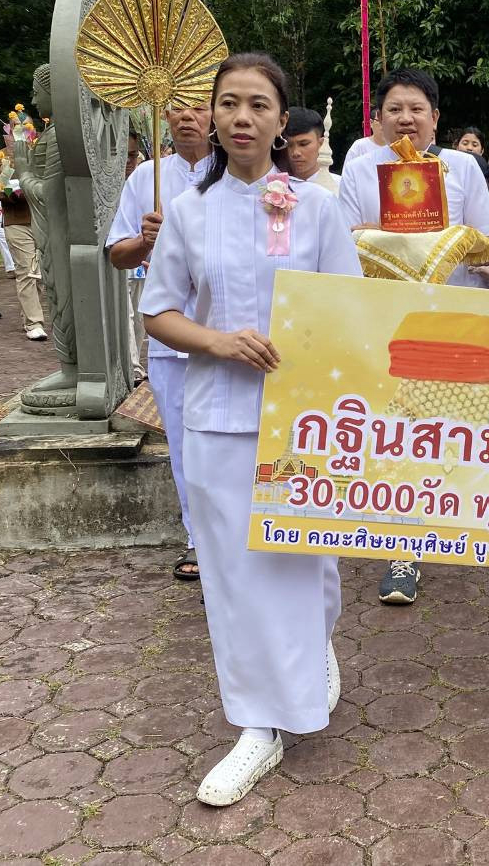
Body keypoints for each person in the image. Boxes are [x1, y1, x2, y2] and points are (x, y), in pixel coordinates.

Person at [141, 52, 359, 807]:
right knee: (236, 579)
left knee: (307, 565)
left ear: (280, 120)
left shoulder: (320, 210)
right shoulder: (190, 212)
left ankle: (313, 647)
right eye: (229, 103)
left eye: (257, 105)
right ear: (212, 114)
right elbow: (160, 309)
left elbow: (349, 312)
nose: (241, 117)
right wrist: (218, 341)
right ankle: (259, 727)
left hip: (301, 419)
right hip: (216, 416)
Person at [339, 67, 489, 605]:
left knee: (448, 427)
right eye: (395, 109)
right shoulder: (361, 170)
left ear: (436, 118)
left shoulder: (460, 167)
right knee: (399, 430)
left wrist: (473, 257)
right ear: (380, 118)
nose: (406, 118)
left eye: (417, 108)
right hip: (388, 321)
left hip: (452, 318)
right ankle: (402, 550)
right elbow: (343, 245)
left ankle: (454, 519)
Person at [108, 101, 214, 580]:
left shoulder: (238, 172)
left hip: (224, 331)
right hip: (169, 335)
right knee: (184, 442)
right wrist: (145, 241)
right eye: (176, 108)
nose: (188, 117)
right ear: (162, 117)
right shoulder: (146, 177)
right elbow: (118, 255)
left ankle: (240, 532)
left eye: (199, 106)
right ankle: (197, 537)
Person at [0, 137, 47, 341]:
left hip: (44, 220)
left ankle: (30, 314)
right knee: (26, 271)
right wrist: (10, 194)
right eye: (13, 130)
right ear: (6, 135)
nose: (19, 135)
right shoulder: (0, 157)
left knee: (41, 272)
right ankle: (34, 322)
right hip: (17, 220)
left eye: (24, 128)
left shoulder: (43, 153)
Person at [283, 107, 340, 193]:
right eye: (289, 145)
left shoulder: (340, 186)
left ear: (321, 144)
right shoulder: (275, 188)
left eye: (303, 144)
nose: (295, 153)